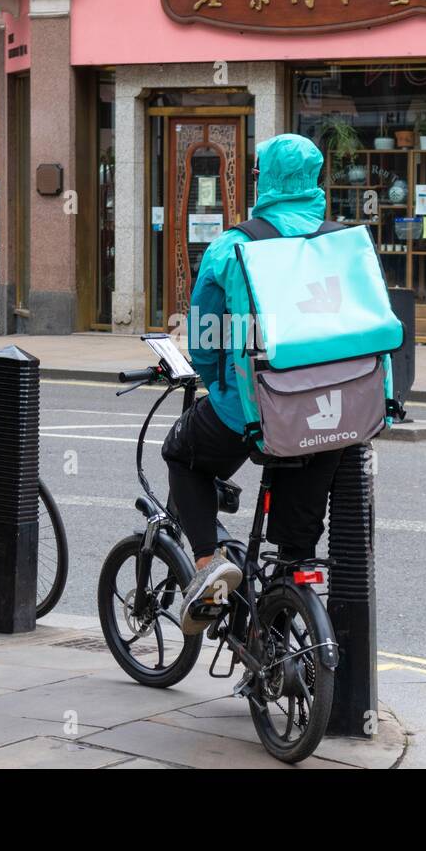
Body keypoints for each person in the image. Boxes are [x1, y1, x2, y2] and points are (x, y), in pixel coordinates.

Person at [163, 134, 345, 634]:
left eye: (260, 173)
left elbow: (204, 336)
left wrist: (218, 383)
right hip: (336, 406)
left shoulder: (237, 243)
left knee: (182, 455)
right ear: (312, 180)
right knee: (295, 548)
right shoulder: (341, 240)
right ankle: (283, 642)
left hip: (257, 407)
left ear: (267, 180)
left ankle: (207, 562)